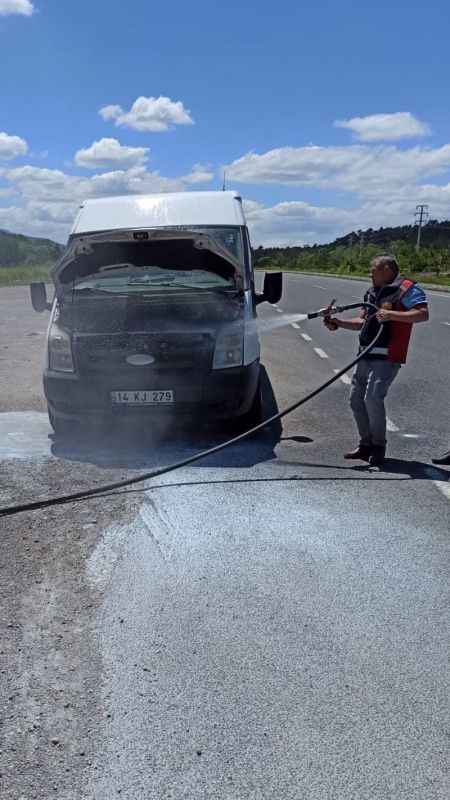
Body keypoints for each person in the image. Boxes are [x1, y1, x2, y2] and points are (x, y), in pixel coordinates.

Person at [324, 255, 429, 466]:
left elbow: (422, 314)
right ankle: (365, 445)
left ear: (387, 269)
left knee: (372, 398)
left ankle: (379, 446)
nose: (370, 274)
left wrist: (391, 315)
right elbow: (362, 322)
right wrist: (338, 322)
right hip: (365, 354)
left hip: (387, 355)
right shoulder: (371, 292)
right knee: (355, 400)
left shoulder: (407, 289)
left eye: (373, 270)